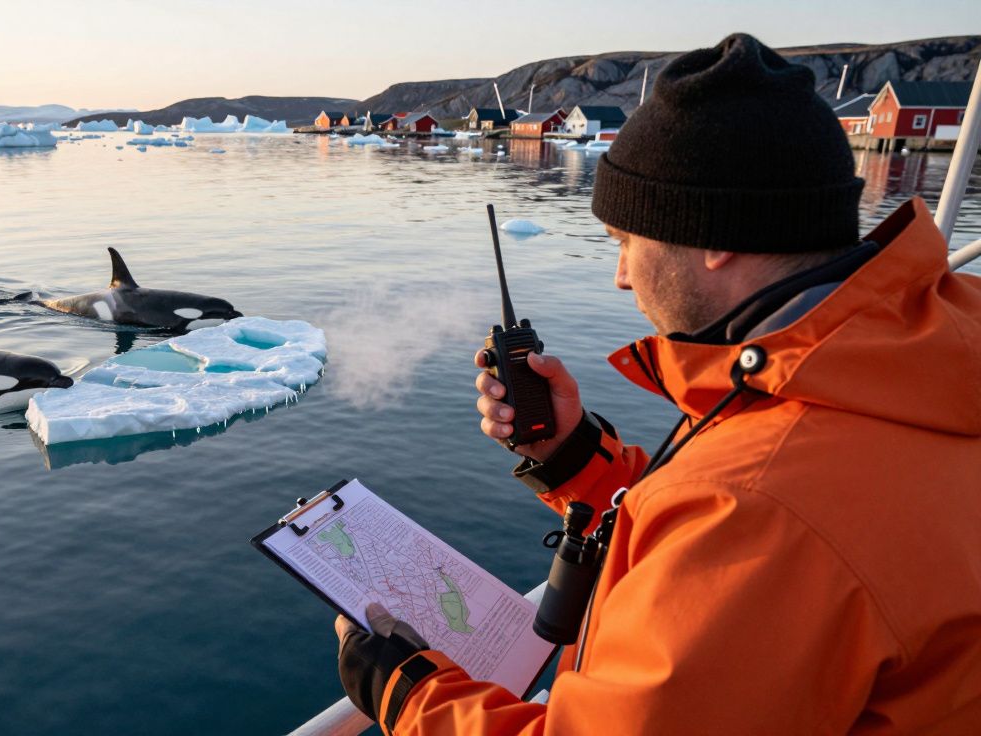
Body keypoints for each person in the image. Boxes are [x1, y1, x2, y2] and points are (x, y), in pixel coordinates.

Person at [335, 33, 981, 735]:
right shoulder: (914, 362)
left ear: (715, 238)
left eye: (625, 241)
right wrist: (577, 457)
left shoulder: (758, 509)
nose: (619, 275)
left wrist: (407, 694)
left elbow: (750, 524)